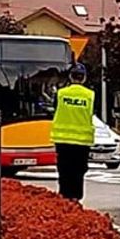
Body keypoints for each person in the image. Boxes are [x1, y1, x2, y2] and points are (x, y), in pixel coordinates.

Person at [50, 63, 96, 201]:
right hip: (82, 141)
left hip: (63, 140)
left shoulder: (61, 94)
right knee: (79, 171)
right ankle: (76, 197)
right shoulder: (90, 95)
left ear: (70, 77)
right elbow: (92, 113)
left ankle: (64, 197)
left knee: (64, 170)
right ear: (84, 78)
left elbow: (55, 110)